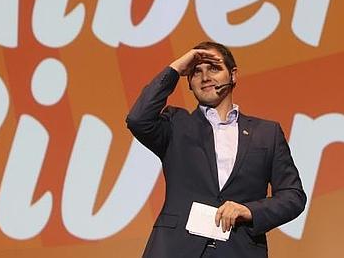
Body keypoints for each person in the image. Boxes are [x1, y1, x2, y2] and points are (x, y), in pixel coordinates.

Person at [127, 41, 306, 257]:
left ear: (233, 75)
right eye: (196, 72)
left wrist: (249, 211)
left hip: (238, 249)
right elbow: (138, 119)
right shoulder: (175, 124)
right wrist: (175, 69)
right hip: (176, 249)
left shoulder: (267, 133)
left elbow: (292, 196)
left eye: (214, 68)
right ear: (189, 83)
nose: (205, 77)